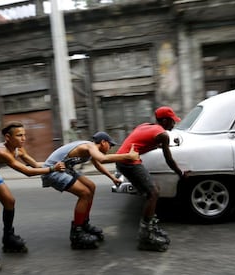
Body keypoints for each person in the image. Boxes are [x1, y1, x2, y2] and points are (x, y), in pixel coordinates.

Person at [0, 121, 66, 270]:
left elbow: (36, 165)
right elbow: (27, 172)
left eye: (24, 135)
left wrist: (57, 165)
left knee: (10, 201)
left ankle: (8, 237)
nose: (23, 138)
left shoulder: (18, 149)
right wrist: (52, 169)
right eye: (19, 135)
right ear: (7, 137)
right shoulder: (1, 152)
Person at [41, 131, 139, 250]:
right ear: (103, 142)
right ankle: (77, 233)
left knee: (91, 187)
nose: (110, 148)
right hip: (53, 170)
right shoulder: (89, 146)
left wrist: (112, 178)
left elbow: (98, 164)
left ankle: (83, 224)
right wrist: (128, 156)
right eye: (110, 145)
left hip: (66, 169)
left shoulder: (91, 149)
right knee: (84, 193)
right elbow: (102, 159)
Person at [115, 106, 189, 252]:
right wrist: (181, 173)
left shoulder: (146, 126)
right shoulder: (162, 134)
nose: (174, 125)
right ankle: (145, 236)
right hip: (128, 162)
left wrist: (165, 145)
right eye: (173, 121)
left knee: (151, 192)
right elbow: (169, 160)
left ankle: (149, 226)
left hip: (121, 159)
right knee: (153, 193)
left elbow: (142, 142)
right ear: (166, 121)